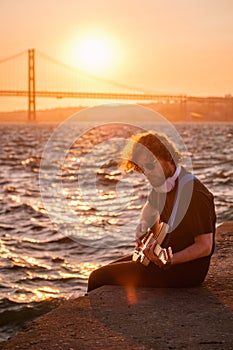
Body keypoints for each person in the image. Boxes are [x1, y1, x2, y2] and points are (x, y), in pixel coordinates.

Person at [87, 131, 216, 292]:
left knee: (97, 278)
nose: (146, 173)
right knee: (105, 271)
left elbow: (205, 246)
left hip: (184, 271)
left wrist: (170, 260)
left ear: (168, 157)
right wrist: (142, 226)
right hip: (161, 260)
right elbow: (150, 206)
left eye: (150, 165)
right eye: (142, 168)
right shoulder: (163, 184)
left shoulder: (194, 194)